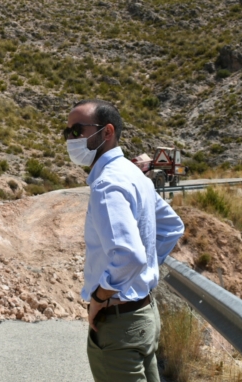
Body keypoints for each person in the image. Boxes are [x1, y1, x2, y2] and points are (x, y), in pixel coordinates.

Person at [64, 99, 184, 382]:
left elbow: (129, 256)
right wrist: (143, 271)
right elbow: (171, 227)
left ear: (107, 132)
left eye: (77, 130)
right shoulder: (134, 174)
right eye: (66, 132)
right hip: (145, 314)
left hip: (119, 323)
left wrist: (98, 298)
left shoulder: (107, 184)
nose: (70, 139)